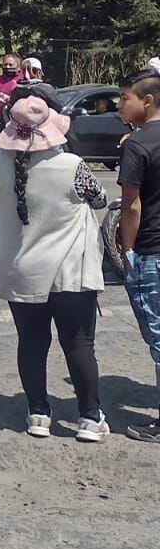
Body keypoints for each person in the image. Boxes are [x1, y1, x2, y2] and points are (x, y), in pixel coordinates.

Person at [0, 91, 109, 441]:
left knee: (32, 344)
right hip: (70, 273)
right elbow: (98, 199)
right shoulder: (72, 166)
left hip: (20, 272)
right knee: (79, 344)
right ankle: (89, 417)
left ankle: (38, 413)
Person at [116, 70, 160, 445]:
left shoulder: (137, 144)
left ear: (147, 101)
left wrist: (127, 250)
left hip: (151, 251)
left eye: (124, 98)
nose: (118, 105)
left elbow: (131, 205)